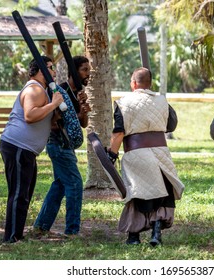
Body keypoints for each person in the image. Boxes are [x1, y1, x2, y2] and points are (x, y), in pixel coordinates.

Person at [107, 67, 185, 246]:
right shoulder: (162, 101)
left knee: (138, 194)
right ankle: (156, 233)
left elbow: (119, 133)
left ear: (133, 83)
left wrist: (111, 154)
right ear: (150, 84)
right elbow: (171, 125)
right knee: (162, 194)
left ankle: (134, 237)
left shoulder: (123, 103)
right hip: (161, 154)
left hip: (136, 154)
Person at [0, 56, 64, 243]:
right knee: (19, 193)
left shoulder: (41, 90)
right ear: (39, 70)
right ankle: (11, 238)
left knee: (25, 193)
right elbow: (29, 115)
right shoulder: (34, 89)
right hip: (18, 146)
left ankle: (16, 233)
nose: (53, 72)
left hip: (26, 149)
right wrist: (53, 104)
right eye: (51, 68)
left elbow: (43, 120)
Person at [33, 56, 91, 236]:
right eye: (84, 70)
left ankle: (41, 225)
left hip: (67, 145)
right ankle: (72, 231)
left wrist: (82, 110)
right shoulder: (58, 91)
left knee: (60, 185)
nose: (88, 74)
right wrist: (57, 115)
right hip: (58, 144)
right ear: (74, 71)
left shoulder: (78, 94)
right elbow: (51, 119)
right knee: (74, 184)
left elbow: (82, 124)